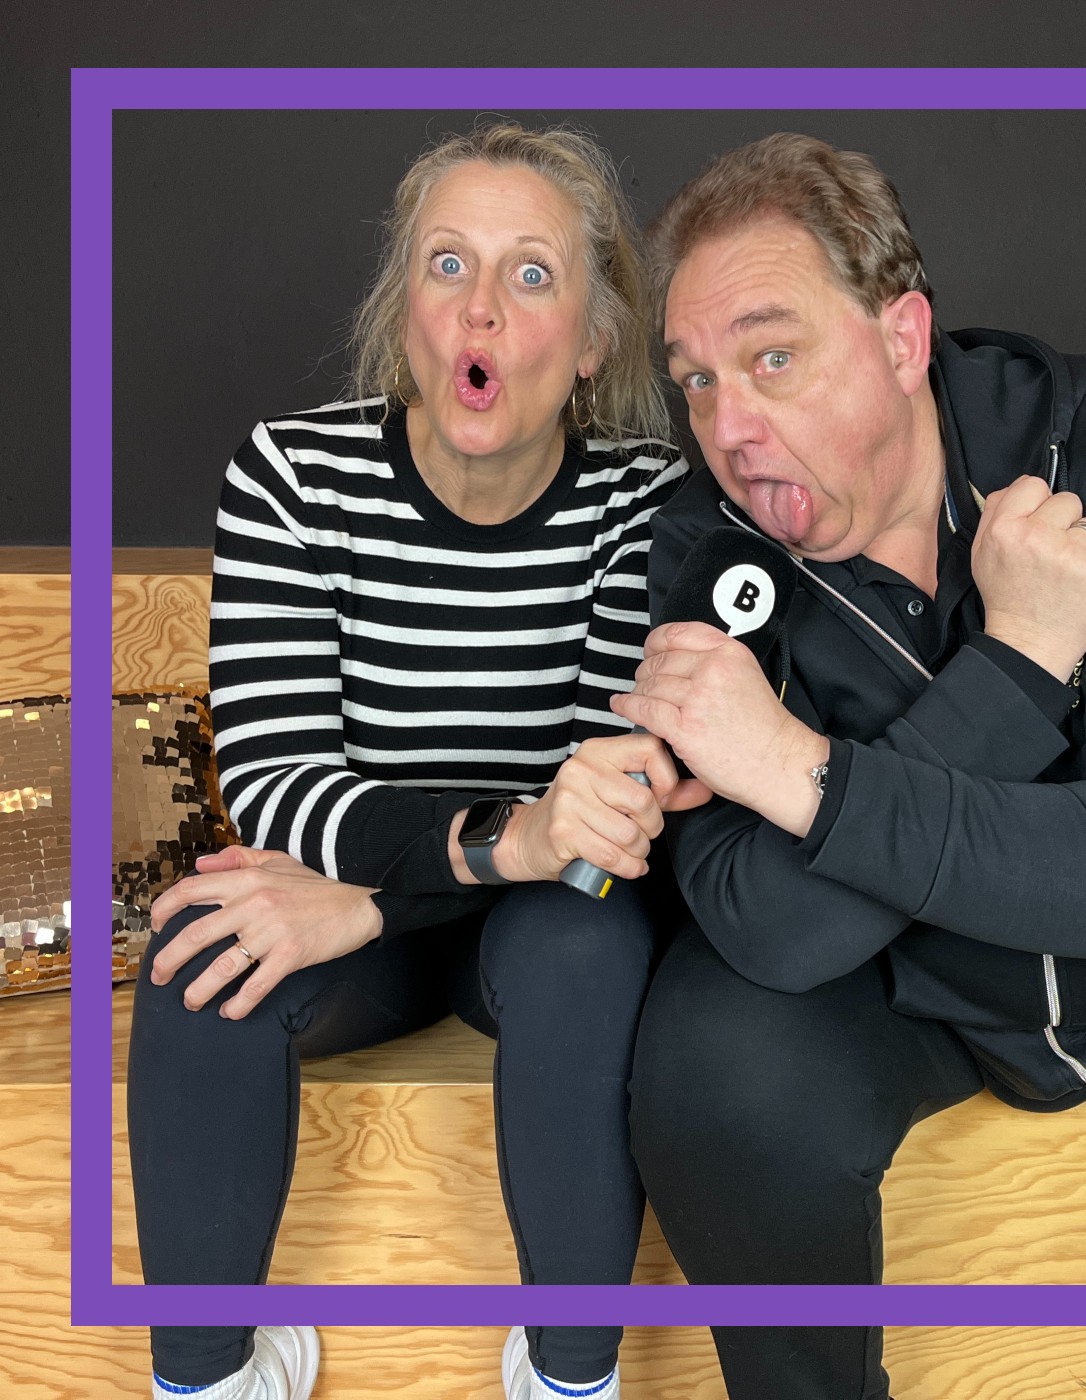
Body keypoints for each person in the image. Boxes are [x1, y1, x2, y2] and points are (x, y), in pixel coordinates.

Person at [615, 132, 1086, 1400]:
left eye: (771, 357)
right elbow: (766, 922)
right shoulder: (701, 553)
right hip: (902, 989)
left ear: (901, 337)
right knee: (716, 1068)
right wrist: (1022, 663)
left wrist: (804, 776)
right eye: (696, 380)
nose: (729, 427)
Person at [126, 123, 702, 1400]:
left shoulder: (643, 500)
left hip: (533, 926)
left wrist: (378, 890)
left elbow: (597, 816)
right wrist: (466, 862)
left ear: (593, 340)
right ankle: (206, 1379)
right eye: (448, 264)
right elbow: (278, 785)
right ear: (405, 309)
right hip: (365, 928)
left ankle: (570, 1375)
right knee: (199, 951)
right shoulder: (291, 476)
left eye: (530, 273)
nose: (479, 306)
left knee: (585, 937)